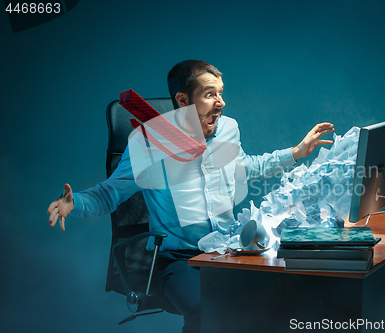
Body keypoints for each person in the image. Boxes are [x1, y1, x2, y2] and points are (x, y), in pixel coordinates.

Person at [47, 60, 334, 333]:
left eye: (221, 93)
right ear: (183, 101)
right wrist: (74, 203)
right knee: (207, 309)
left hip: (229, 251)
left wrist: (296, 152)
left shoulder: (228, 129)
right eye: (210, 95)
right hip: (180, 259)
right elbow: (109, 193)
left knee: (286, 293)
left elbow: (245, 167)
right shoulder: (149, 142)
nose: (221, 102)